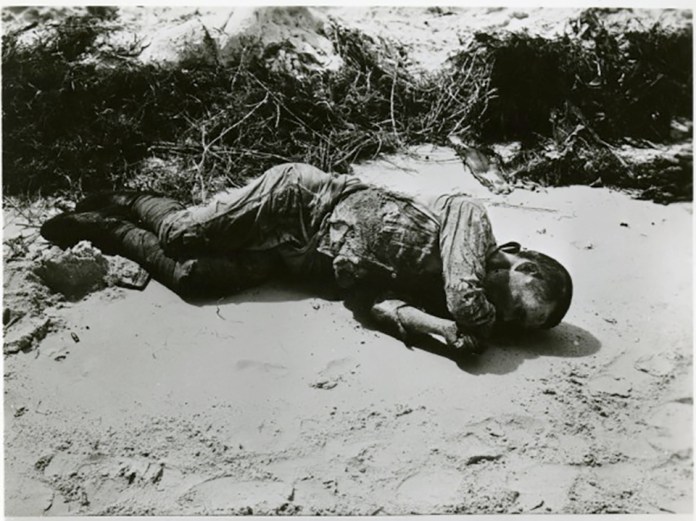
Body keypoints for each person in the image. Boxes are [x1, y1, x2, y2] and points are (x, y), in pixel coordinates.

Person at [41, 163, 572, 354]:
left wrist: (439, 331)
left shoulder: (442, 297)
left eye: (514, 322)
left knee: (192, 278)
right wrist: (473, 326)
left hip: (298, 257)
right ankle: (127, 199)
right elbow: (465, 295)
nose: (501, 315)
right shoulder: (470, 221)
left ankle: (111, 230)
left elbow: (376, 306)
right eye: (513, 304)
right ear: (518, 261)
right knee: (181, 235)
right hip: (299, 200)